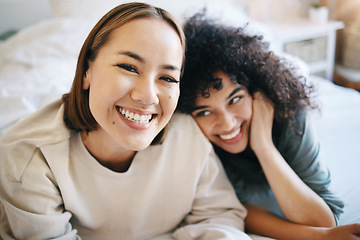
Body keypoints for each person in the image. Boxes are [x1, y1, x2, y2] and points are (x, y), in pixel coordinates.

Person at [0, 3, 252, 239]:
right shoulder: (28, 158)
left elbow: (221, 217)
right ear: (87, 71)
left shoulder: (187, 135)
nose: (147, 96)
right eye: (129, 67)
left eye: (167, 78)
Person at [177, 11, 360, 240]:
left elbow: (324, 219)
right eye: (204, 111)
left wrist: (264, 146)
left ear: (256, 92)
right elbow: (242, 211)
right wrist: (320, 237)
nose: (226, 123)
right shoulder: (194, 138)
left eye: (235, 99)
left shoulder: (288, 114)